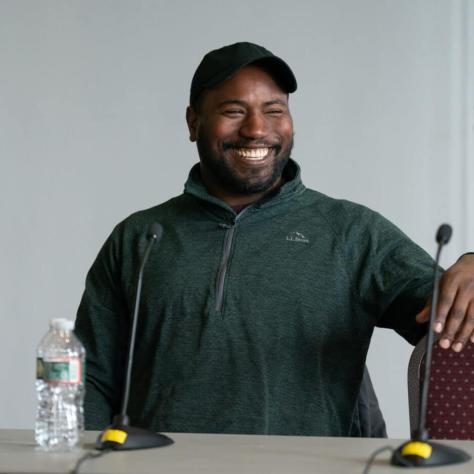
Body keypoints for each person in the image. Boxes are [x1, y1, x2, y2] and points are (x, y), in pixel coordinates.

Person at [75, 42, 474, 437]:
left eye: (274, 111)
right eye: (234, 111)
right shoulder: (139, 237)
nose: (256, 129)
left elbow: (453, 316)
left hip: (309, 467)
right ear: (193, 122)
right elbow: (91, 375)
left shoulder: (351, 231)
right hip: (159, 466)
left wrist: (471, 267)